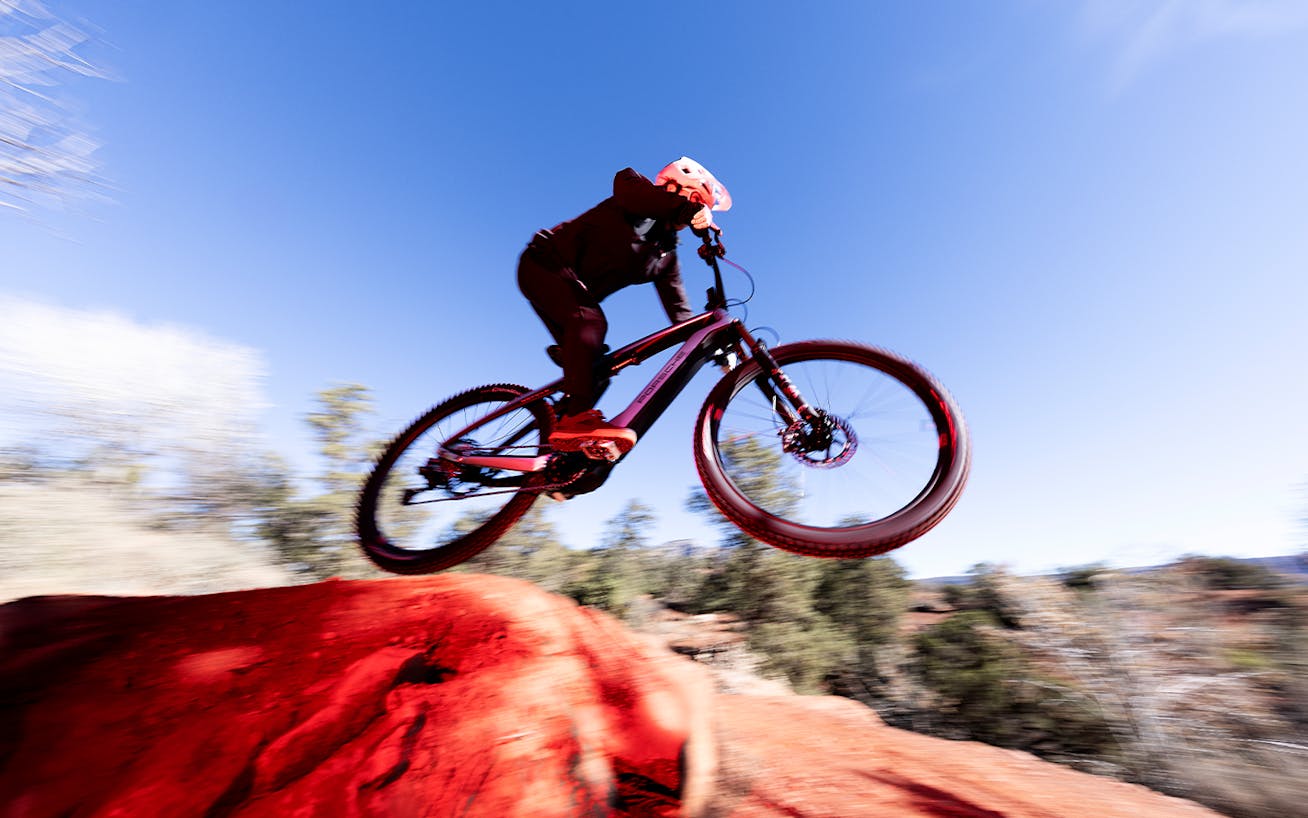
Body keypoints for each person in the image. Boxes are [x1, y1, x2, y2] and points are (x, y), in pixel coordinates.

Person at [518, 156, 731, 459]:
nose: (694, 216)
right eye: (697, 202)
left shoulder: (664, 255)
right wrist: (687, 210)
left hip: (571, 294)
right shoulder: (634, 190)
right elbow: (633, 192)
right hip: (543, 264)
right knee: (590, 322)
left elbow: (681, 314)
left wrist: (716, 347)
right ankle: (574, 420)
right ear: (677, 188)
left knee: (598, 374)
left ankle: (561, 458)